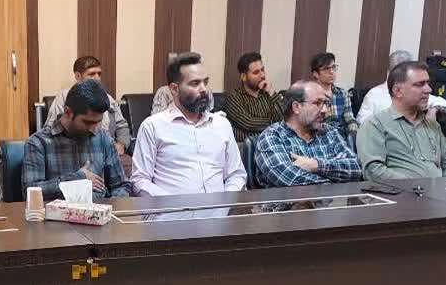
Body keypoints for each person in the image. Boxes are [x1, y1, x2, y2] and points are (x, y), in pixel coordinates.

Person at [132, 52, 246, 196]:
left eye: (205, 82)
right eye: (195, 83)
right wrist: (172, 204)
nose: (204, 89)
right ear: (174, 89)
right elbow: (140, 180)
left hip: (220, 209)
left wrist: (225, 201)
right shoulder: (153, 126)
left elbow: (236, 175)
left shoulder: (221, 125)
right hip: (172, 209)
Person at [24, 78, 130, 200]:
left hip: (100, 209)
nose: (93, 129)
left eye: (97, 122)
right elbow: (30, 192)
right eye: (87, 122)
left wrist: (114, 205)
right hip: (58, 211)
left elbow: (121, 186)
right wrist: (77, 179)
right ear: (68, 112)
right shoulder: (38, 143)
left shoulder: (103, 139)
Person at [357, 61, 446, 183]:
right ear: (398, 91)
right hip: (401, 192)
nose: (428, 89)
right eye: (420, 84)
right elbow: (373, 171)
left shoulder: (431, 124)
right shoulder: (375, 125)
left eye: (428, 83)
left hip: (439, 191)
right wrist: (419, 186)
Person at [254, 80, 362, 188]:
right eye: (318, 103)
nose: (325, 110)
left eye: (326, 103)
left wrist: (317, 165)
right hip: (290, 199)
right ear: (296, 107)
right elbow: (291, 179)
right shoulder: (272, 136)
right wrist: (335, 180)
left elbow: (356, 168)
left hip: (335, 199)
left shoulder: (329, 132)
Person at [44, 56, 132, 174]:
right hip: (74, 151)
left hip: (106, 150)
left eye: (99, 74)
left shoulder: (107, 99)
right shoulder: (65, 98)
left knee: (128, 166)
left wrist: (121, 144)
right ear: (78, 76)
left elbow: (122, 125)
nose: (97, 78)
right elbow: (50, 130)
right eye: (91, 74)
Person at [357, 50, 446, 125]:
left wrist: (433, 110)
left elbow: (442, 102)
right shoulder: (374, 94)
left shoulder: (415, 94)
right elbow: (362, 123)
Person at [223, 51, 284, 142]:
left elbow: (283, 119)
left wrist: (271, 93)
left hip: (273, 142)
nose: (262, 75)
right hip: (248, 146)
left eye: (262, 70)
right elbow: (249, 123)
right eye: (256, 72)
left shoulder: (268, 94)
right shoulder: (234, 97)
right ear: (244, 77)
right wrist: (273, 123)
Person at [309, 52, 357, 139]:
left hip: (342, 137)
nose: (331, 72)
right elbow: (309, 123)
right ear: (316, 74)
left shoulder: (343, 94)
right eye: (326, 69)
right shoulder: (309, 94)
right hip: (320, 137)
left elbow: (350, 119)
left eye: (333, 67)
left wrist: (353, 133)